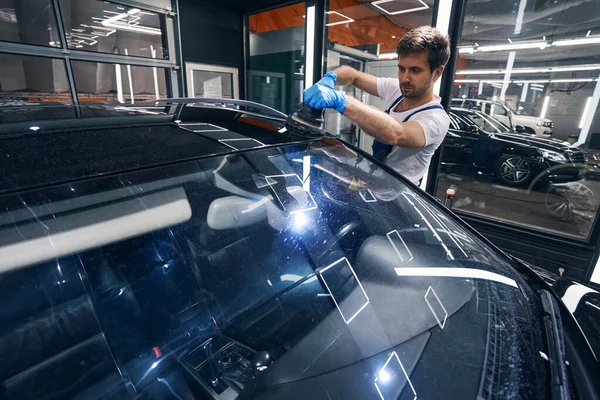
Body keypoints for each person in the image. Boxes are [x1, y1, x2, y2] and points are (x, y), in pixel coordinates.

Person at [303, 25, 451, 185]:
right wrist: (330, 78)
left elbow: (396, 134)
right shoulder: (396, 89)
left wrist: (341, 100)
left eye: (415, 70)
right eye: (402, 69)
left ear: (436, 73)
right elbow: (353, 75)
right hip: (369, 182)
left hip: (395, 198)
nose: (405, 78)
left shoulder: (436, 119)